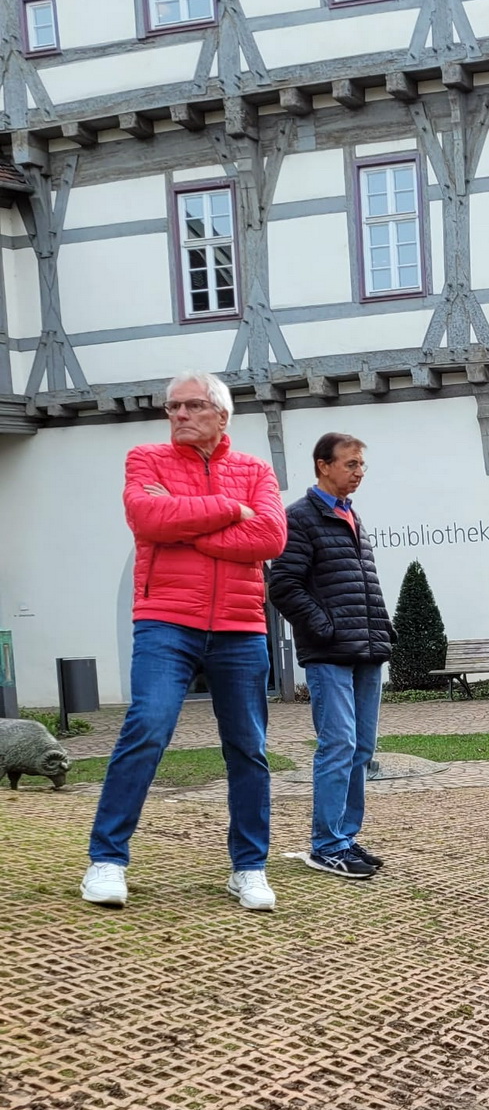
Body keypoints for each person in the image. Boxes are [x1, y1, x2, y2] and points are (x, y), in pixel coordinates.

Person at [80, 372, 288, 912]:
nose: (177, 415)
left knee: (249, 748)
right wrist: (230, 510)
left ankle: (249, 867)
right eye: (171, 406)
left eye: (191, 405)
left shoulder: (256, 469)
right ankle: (107, 859)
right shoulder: (145, 458)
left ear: (221, 413)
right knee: (147, 726)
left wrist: (186, 523)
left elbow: (270, 537)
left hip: (241, 626)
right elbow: (147, 518)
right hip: (165, 620)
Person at [268, 432, 394, 880]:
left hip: (366, 649)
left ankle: (345, 836)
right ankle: (326, 845)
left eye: (362, 465)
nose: (359, 472)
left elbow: (358, 586)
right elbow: (283, 586)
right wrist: (326, 627)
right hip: (330, 654)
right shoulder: (300, 518)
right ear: (323, 465)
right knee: (338, 745)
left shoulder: (350, 515)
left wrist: (381, 629)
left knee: (362, 748)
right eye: (351, 464)